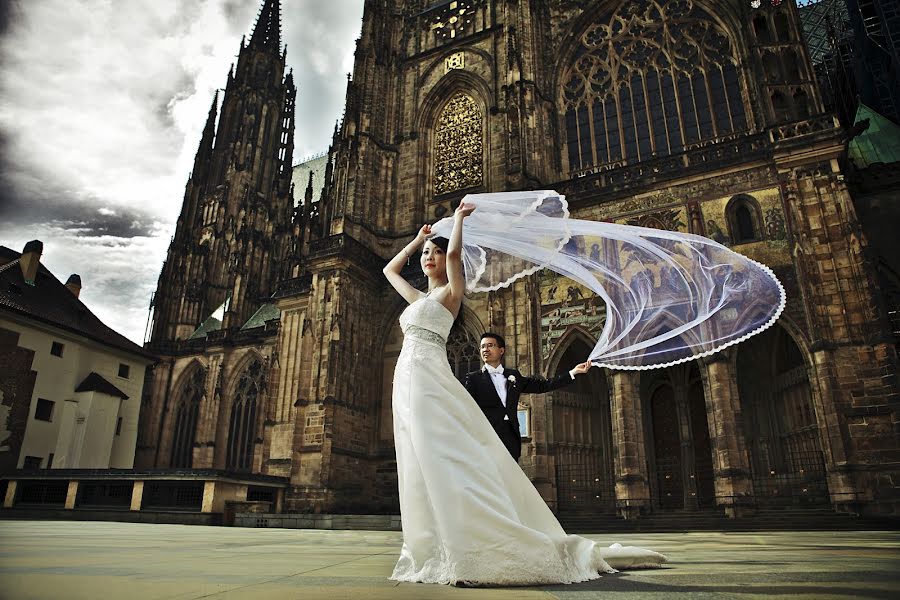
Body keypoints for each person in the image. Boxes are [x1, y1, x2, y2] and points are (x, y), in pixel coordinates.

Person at [382, 202, 667, 586]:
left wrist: (459, 223)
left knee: (437, 452)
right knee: (416, 455)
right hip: (407, 376)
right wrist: (416, 241)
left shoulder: (451, 294)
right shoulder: (416, 300)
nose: (430, 257)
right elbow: (389, 270)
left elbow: (452, 253)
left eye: (434, 253)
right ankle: (435, 542)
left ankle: (471, 538)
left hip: (429, 375)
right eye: (427, 255)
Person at [466, 332, 591, 461]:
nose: (485, 349)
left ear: (501, 350)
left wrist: (573, 372)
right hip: (487, 438)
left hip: (511, 439)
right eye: (482, 347)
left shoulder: (513, 375)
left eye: (490, 345)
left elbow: (543, 386)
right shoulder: (473, 378)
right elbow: (466, 407)